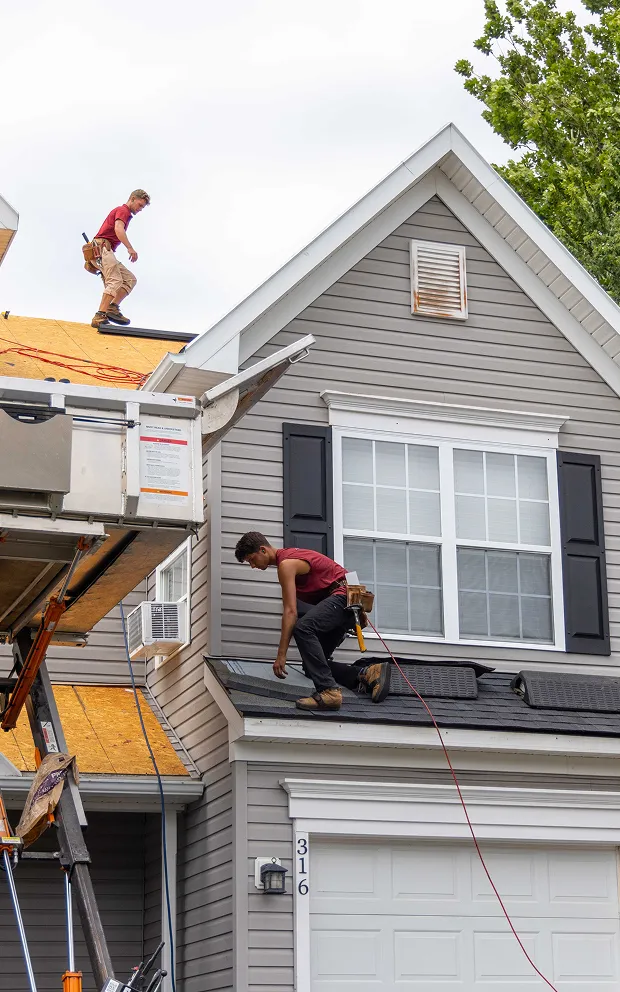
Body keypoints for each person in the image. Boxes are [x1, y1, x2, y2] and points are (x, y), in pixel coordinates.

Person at [234, 531, 390, 712]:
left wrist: (281, 655)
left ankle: (329, 692)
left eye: (252, 559)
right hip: (346, 602)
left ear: (263, 550)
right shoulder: (289, 559)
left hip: (343, 598)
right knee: (313, 666)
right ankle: (368, 674)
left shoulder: (286, 564)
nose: (252, 565)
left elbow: (290, 612)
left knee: (302, 628)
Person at [90, 189, 150, 329]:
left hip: (106, 250)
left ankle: (112, 308)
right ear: (133, 199)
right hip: (102, 248)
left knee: (129, 279)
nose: (140, 209)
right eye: (140, 205)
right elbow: (118, 229)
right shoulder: (123, 210)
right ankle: (99, 315)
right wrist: (130, 248)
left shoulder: (125, 213)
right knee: (115, 280)